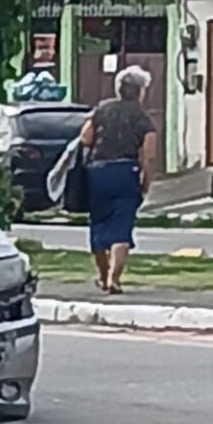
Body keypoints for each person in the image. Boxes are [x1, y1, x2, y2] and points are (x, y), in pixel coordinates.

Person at [80, 65, 156, 295]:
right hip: (126, 172)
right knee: (122, 228)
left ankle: (103, 277)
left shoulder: (102, 109)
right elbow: (150, 154)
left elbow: (85, 138)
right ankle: (114, 279)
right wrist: (146, 182)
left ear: (119, 88)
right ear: (140, 92)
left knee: (99, 224)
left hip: (98, 172)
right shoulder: (143, 118)